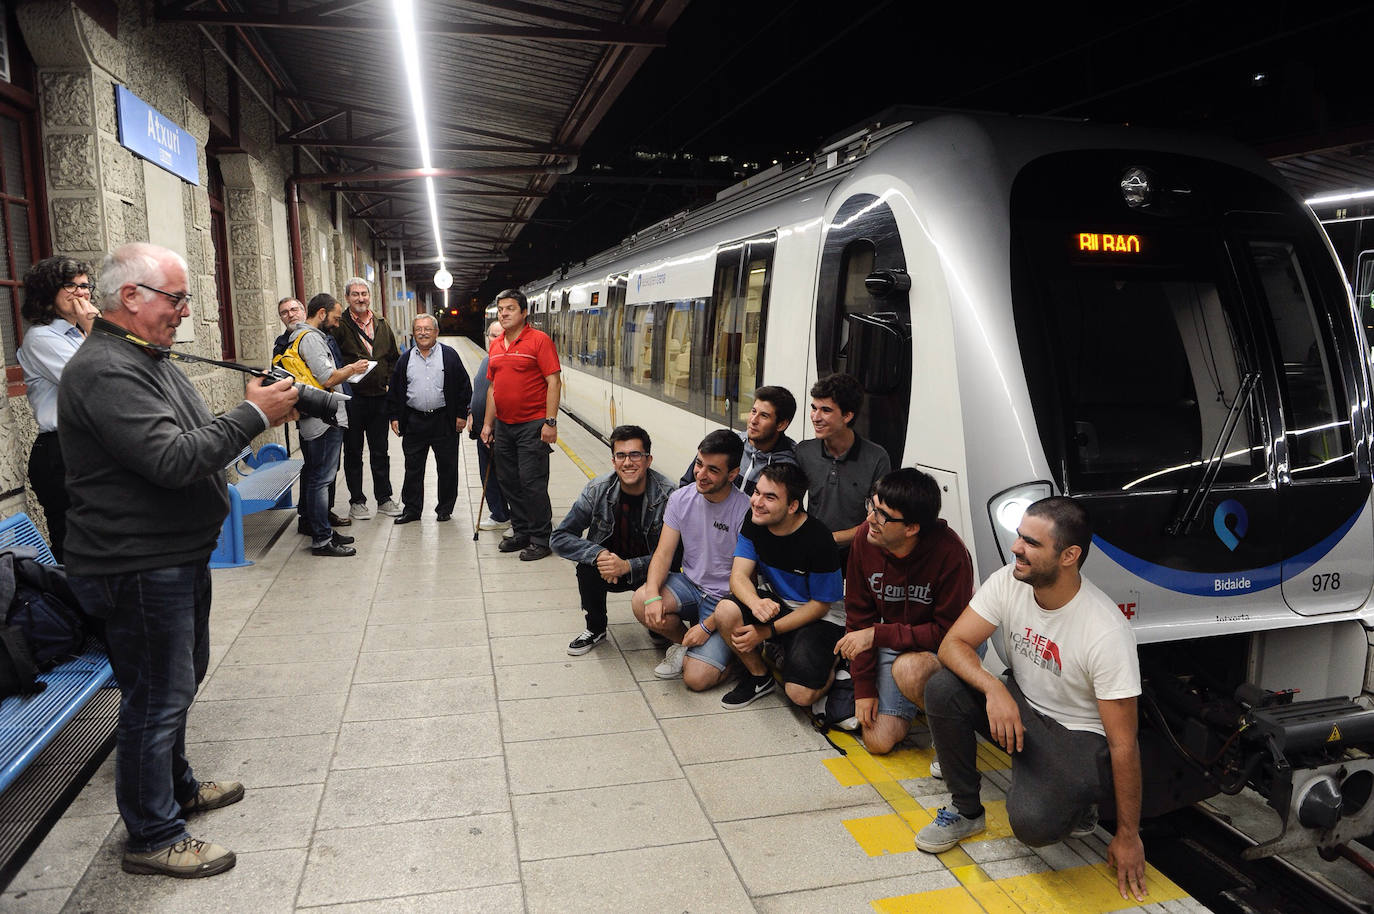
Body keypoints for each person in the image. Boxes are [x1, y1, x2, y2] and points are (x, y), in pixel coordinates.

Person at [58, 242, 298, 878]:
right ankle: (153, 833)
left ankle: (179, 789)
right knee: (155, 696)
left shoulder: (143, 356)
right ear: (130, 297)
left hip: (170, 555)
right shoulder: (107, 370)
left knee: (176, 683)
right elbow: (171, 459)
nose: (185, 312)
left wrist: (245, 408)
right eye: (176, 298)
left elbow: (193, 436)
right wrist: (253, 414)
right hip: (136, 564)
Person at [915, 497, 1147, 904]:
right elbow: (954, 643)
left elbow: (1124, 744)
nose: (1017, 548)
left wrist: (1129, 836)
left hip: (1076, 736)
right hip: (1022, 702)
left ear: (1069, 556)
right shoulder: (1010, 581)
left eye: (1032, 543)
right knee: (943, 687)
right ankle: (966, 811)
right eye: (1019, 537)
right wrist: (994, 688)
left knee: (1033, 825)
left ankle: (1078, 801)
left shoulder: (1105, 631)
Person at [834, 468, 973, 754]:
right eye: (871, 505)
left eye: (882, 514)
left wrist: (877, 635)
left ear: (911, 528)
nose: (870, 518)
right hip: (897, 639)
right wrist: (864, 690)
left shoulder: (951, 554)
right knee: (878, 742)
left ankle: (950, 732)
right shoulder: (865, 538)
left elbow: (947, 633)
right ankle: (920, 699)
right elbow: (859, 618)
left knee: (910, 669)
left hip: (949, 644)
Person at [711, 462, 845, 710]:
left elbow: (820, 606)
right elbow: (738, 576)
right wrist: (755, 603)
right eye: (757, 492)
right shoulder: (755, 520)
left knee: (800, 695)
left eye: (769, 497)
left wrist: (767, 632)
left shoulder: (818, 540)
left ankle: (836, 664)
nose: (757, 502)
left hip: (819, 617)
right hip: (780, 604)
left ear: (793, 506)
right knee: (725, 610)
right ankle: (760, 677)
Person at [631, 429, 750, 689]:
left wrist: (707, 627)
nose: (701, 474)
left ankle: (729, 660)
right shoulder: (680, 498)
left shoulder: (746, 510)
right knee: (641, 600)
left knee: (696, 680)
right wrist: (652, 596)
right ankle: (684, 645)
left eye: (712, 470)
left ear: (733, 474)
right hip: (691, 586)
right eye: (698, 464)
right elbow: (663, 554)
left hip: (726, 602)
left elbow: (744, 582)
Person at [552, 425, 674, 655]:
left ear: (648, 460)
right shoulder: (598, 489)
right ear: (613, 460)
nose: (628, 462)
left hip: (651, 573)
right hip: (609, 570)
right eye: (621, 455)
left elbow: (677, 555)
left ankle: (658, 625)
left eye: (635, 455)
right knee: (587, 566)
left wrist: (628, 566)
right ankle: (596, 628)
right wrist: (600, 555)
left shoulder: (668, 496)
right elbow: (559, 537)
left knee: (670, 574)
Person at [15, 256, 98, 561]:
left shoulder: (80, 334)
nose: (81, 292)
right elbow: (91, 381)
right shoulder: (42, 337)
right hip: (60, 451)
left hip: (89, 445)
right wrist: (95, 330)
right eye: (70, 285)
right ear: (48, 293)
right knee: (75, 543)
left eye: (85, 285)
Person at [282, 293, 367, 556]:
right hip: (323, 420)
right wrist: (354, 369)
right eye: (334, 316)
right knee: (321, 480)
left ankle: (322, 530)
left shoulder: (303, 337)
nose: (337, 321)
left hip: (319, 417)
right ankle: (321, 539)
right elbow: (328, 378)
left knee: (318, 477)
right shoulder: (310, 339)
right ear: (321, 313)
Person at [479, 289, 561, 561]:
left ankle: (541, 537)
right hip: (504, 425)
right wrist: (488, 424)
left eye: (510, 308)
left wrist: (550, 422)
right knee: (509, 481)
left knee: (532, 482)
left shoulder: (539, 341)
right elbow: (493, 388)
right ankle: (522, 531)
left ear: (524, 312)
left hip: (533, 424)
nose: (503, 313)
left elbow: (554, 382)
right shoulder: (495, 345)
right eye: (501, 309)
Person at [385, 313, 472, 524]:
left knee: (447, 467)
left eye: (427, 329)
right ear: (413, 333)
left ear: (436, 332)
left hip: (444, 420)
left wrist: (461, 414)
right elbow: (395, 390)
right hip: (414, 421)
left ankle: (444, 508)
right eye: (418, 329)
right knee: (413, 467)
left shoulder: (449, 355)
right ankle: (412, 510)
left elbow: (464, 386)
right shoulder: (405, 359)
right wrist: (395, 416)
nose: (423, 333)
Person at [794, 373, 890, 560]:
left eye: (826, 410)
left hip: (860, 554)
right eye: (814, 408)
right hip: (812, 552)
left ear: (847, 416)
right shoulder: (803, 452)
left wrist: (831, 538)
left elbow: (881, 518)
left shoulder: (877, 458)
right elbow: (791, 503)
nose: (815, 417)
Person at [330, 277, 403, 520]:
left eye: (364, 294)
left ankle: (384, 498)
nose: (361, 298)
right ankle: (357, 501)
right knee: (353, 451)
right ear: (347, 298)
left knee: (380, 451)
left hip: (379, 398)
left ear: (369, 296)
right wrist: (348, 372)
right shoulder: (340, 326)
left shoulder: (382, 322)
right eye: (355, 294)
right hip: (353, 400)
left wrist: (388, 381)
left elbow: (394, 356)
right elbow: (333, 360)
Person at [677, 386, 798, 495]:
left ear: (781, 424)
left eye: (764, 416)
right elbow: (686, 487)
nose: (753, 420)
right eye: (753, 411)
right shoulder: (728, 444)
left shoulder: (788, 464)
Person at [468, 319, 511, 531]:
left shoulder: (507, 362)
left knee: (505, 476)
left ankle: (519, 520)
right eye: (492, 335)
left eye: (500, 335)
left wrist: (492, 426)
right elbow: (480, 391)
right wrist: (470, 412)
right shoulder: (488, 359)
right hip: (482, 431)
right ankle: (500, 515)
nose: (496, 340)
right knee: (490, 475)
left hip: (496, 431)